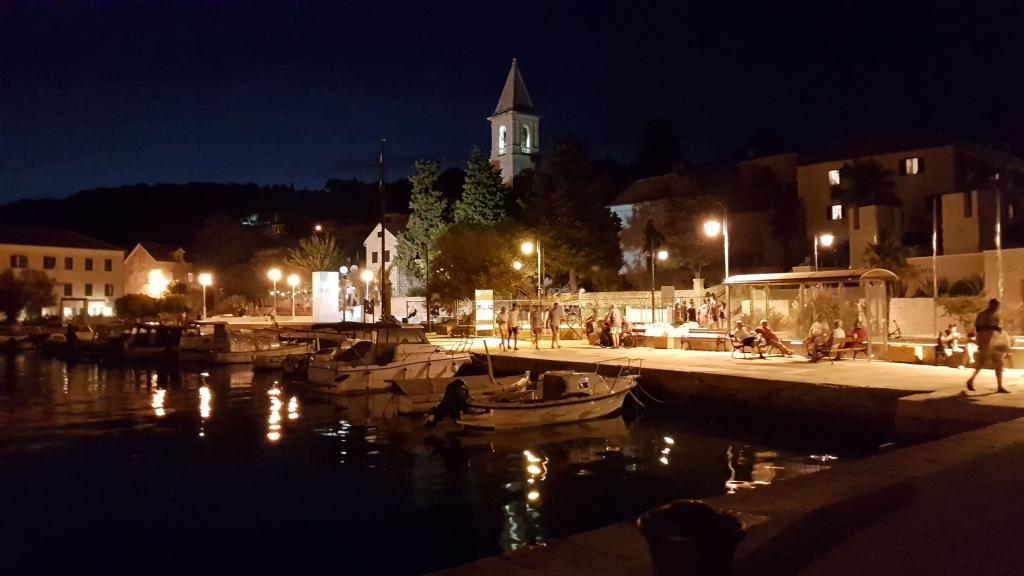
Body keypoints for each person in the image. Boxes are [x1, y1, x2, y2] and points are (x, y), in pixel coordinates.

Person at [966, 298, 1009, 393]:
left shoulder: (995, 315)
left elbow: (996, 328)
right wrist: (991, 330)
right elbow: (979, 328)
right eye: (996, 306)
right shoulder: (982, 314)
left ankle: (1000, 386)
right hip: (985, 342)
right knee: (982, 362)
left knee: (999, 363)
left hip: (994, 342)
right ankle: (971, 380)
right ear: (991, 305)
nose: (997, 308)